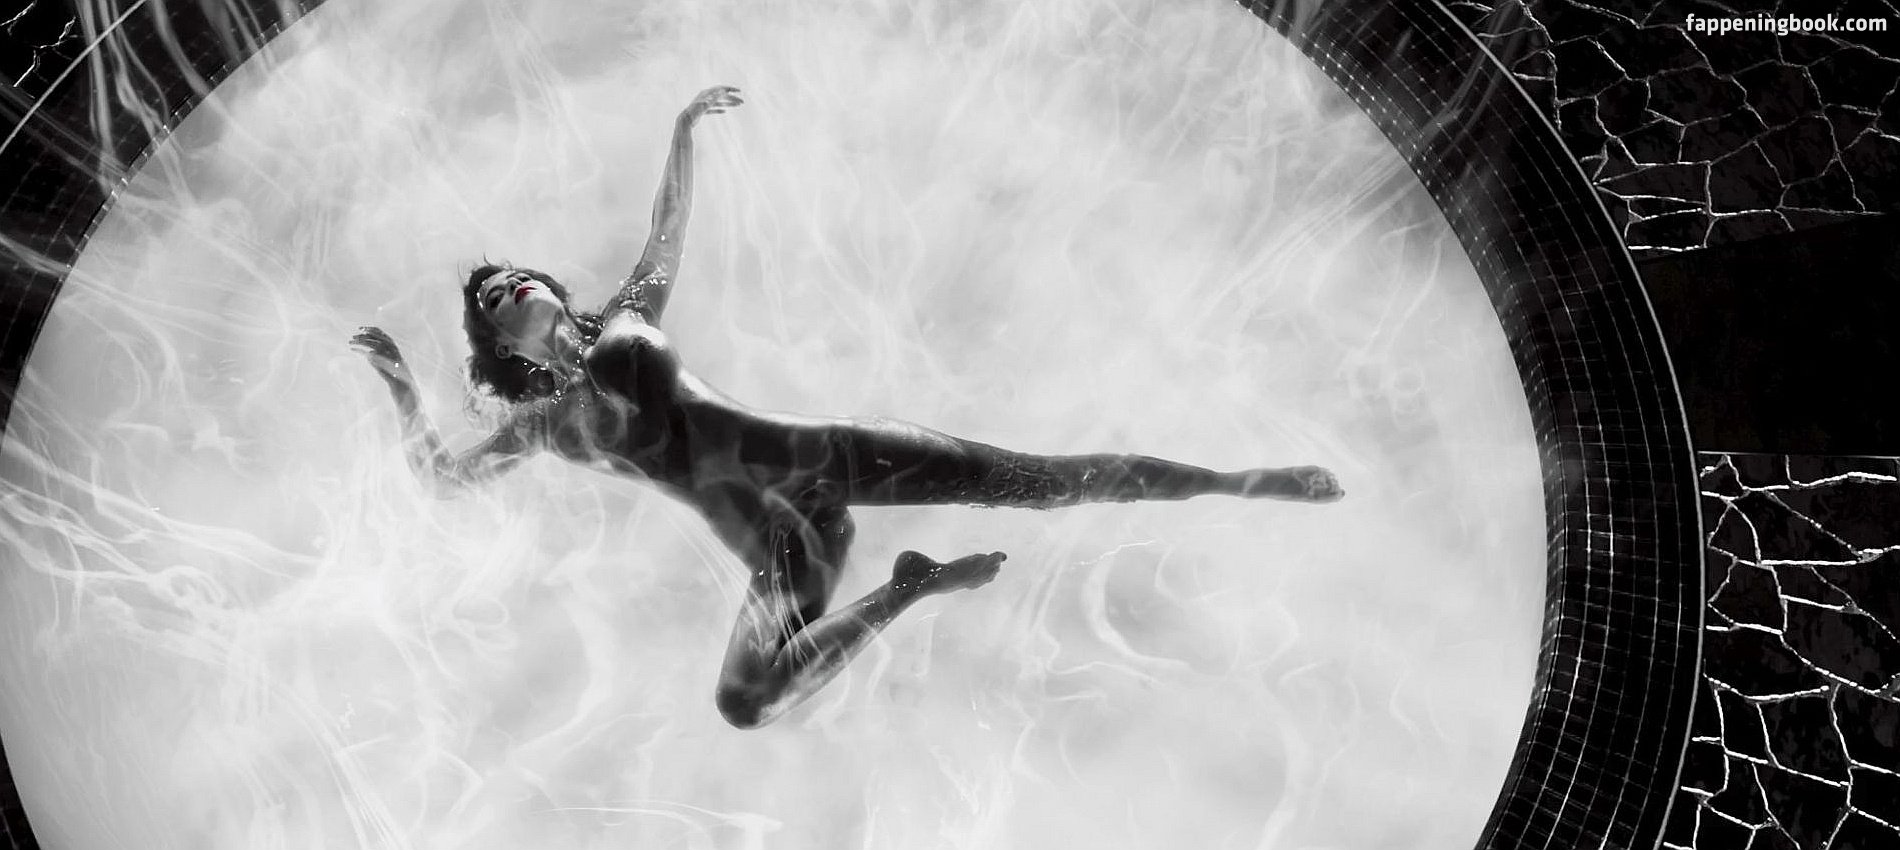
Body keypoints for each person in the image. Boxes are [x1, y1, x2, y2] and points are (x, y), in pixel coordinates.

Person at [350, 85, 1343, 730]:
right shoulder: (545, 426)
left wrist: (682, 131)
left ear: (548, 289)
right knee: (744, 700)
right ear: (501, 346)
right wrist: (400, 386)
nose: (508, 288)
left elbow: (666, 231)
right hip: (786, 544)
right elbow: (442, 477)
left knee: (1042, 483)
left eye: (514, 277)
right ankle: (912, 587)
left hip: (829, 459)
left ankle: (1242, 480)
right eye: (492, 301)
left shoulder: (625, 317)